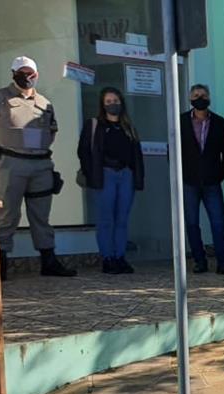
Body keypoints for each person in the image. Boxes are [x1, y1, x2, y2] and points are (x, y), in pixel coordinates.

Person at [0, 55, 76, 279]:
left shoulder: (44, 103)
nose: (27, 76)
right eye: (21, 72)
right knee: (6, 214)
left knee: (41, 215)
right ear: (13, 74)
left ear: (37, 74)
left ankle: (48, 261)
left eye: (30, 72)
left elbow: (52, 131)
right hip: (11, 164)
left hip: (40, 164)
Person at [77, 86, 144, 274]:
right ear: (102, 105)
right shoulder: (94, 125)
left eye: (115, 101)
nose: (112, 104)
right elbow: (83, 152)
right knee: (106, 219)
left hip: (126, 175)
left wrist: (138, 177)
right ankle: (107, 258)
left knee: (122, 219)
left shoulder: (128, 127)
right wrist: (92, 175)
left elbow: (136, 154)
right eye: (108, 102)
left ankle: (120, 257)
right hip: (105, 174)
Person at [179, 84, 224, 275]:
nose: (200, 98)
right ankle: (199, 261)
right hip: (189, 181)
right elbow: (172, 151)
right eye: (196, 95)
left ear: (209, 98)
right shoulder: (180, 121)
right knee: (191, 223)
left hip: (212, 182)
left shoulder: (219, 122)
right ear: (190, 99)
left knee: (218, 222)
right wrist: (180, 175)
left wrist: (219, 174)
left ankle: (223, 262)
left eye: (204, 95)